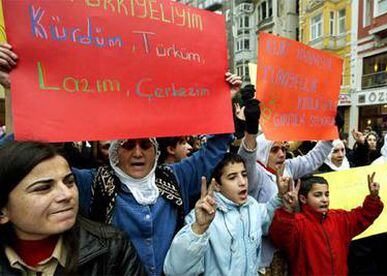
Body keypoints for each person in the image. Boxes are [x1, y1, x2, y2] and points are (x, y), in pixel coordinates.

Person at [0, 42, 241, 275]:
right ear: (114, 151)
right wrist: (18, 89)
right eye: (127, 145)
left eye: (145, 145)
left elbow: (214, 150)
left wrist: (223, 101)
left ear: (156, 150)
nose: (138, 153)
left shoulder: (175, 176)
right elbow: (27, 159)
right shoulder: (87, 183)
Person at [0, 141, 146, 275]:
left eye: (69, 182)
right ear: (3, 211)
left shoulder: (112, 248)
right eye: (43, 188)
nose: (66, 194)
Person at [235, 84, 335, 274]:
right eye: (275, 149)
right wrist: (250, 128)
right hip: (263, 256)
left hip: (289, 248)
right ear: (263, 152)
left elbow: (312, 159)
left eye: (283, 148)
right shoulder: (255, 174)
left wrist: (330, 135)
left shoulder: (287, 167)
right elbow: (246, 157)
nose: (282, 154)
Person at [163, 153, 282, 275]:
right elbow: (176, 271)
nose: (242, 182)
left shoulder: (252, 206)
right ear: (217, 186)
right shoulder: (200, 218)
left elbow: (267, 214)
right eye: (232, 177)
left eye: (244, 174)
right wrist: (199, 229)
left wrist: (281, 197)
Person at [269, 174, 384, 276]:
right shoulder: (296, 223)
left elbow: (363, 216)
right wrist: (287, 210)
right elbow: (281, 237)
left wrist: (373, 197)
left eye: (327, 194)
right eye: (318, 195)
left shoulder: (338, 218)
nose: (324, 199)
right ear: (303, 199)